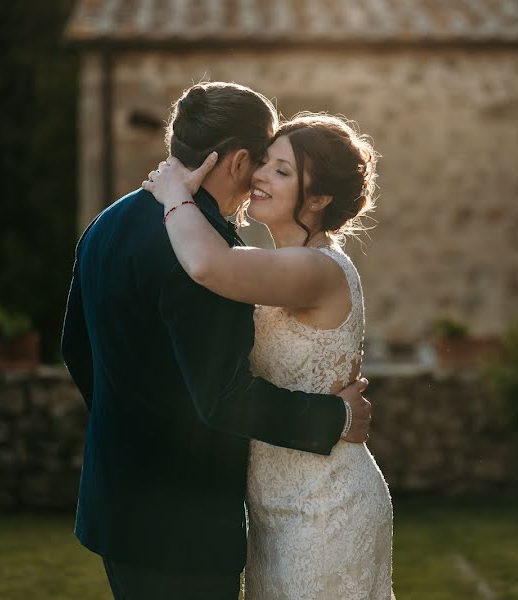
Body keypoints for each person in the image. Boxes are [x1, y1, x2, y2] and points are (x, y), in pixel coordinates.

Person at [61, 82, 372, 600]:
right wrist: (331, 417)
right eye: (263, 163)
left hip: (115, 503)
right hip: (184, 522)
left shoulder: (108, 222)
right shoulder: (201, 252)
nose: (262, 180)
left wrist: (133, 425)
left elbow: (77, 348)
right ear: (239, 160)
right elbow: (222, 398)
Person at [142, 112, 394, 599]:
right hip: (273, 505)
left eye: (282, 171)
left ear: (318, 199)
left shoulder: (316, 269)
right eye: (264, 162)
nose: (259, 176)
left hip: (327, 506)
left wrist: (175, 193)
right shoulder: (279, 266)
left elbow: (206, 265)